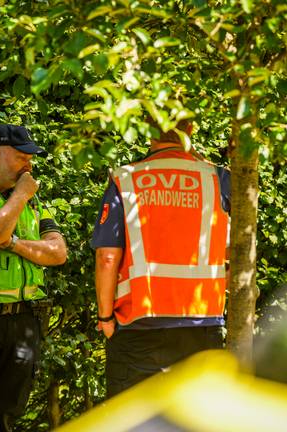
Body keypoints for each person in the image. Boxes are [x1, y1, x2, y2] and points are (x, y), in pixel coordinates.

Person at [91, 118, 231, 398]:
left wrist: (105, 317)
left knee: (133, 420)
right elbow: (237, 248)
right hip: (201, 323)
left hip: (139, 323)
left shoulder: (126, 179)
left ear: (146, 129)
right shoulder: (217, 178)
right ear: (191, 128)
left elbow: (107, 257)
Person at [0, 124, 67, 432]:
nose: (29, 166)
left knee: (4, 418)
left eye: (30, 159)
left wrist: (13, 243)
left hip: (24, 321)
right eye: (21, 157)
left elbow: (58, 252)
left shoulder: (33, 201)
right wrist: (19, 196)